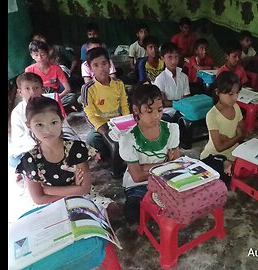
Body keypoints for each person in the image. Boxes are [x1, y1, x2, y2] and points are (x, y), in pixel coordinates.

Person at [15, 96, 117, 214]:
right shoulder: (30, 160)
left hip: (82, 195)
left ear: (61, 120)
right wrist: (74, 190)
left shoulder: (75, 148)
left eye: (53, 122)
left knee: (111, 209)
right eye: (39, 125)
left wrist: (48, 189)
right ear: (29, 126)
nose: (47, 130)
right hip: (52, 202)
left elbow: (85, 188)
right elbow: (38, 199)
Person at [118, 84, 180, 223]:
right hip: (139, 186)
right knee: (133, 213)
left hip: (165, 181)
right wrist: (165, 165)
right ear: (136, 110)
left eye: (159, 110)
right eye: (149, 111)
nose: (156, 116)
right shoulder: (129, 138)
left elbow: (177, 164)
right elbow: (137, 176)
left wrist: (145, 167)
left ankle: (159, 203)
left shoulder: (171, 129)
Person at [8, 73, 80, 180]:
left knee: (75, 150)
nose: (32, 92)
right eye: (27, 89)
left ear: (42, 89)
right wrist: (39, 146)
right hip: (34, 147)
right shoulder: (17, 113)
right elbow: (18, 139)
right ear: (20, 92)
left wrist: (66, 141)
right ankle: (32, 174)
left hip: (56, 143)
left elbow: (64, 126)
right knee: (13, 160)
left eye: (36, 88)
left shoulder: (51, 104)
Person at [80, 47, 130, 179]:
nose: (101, 68)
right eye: (96, 65)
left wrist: (126, 124)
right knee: (91, 139)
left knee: (128, 138)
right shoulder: (88, 88)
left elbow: (124, 106)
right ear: (90, 69)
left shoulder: (119, 84)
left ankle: (116, 155)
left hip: (118, 123)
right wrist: (103, 130)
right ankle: (112, 156)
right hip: (100, 127)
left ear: (110, 64)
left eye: (104, 63)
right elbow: (89, 114)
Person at [200, 71, 246, 186]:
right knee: (219, 179)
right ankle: (223, 161)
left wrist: (232, 139)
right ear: (218, 92)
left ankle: (228, 162)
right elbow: (219, 147)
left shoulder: (236, 107)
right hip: (213, 154)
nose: (235, 97)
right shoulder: (212, 115)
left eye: (237, 93)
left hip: (233, 152)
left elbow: (243, 133)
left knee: (249, 169)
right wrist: (237, 137)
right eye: (230, 94)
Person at [25, 40, 78, 112]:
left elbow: (67, 89)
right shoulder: (29, 70)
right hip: (40, 95)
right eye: (36, 55)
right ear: (32, 56)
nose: (40, 58)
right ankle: (57, 108)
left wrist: (57, 97)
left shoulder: (56, 68)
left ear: (48, 53)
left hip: (55, 94)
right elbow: (29, 90)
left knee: (72, 97)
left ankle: (50, 108)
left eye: (43, 54)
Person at [154, 42, 190, 123]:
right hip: (167, 113)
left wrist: (175, 104)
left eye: (176, 57)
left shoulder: (184, 77)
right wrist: (179, 103)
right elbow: (162, 103)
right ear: (162, 58)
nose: (173, 61)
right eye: (169, 57)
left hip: (182, 111)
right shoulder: (160, 79)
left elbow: (187, 98)